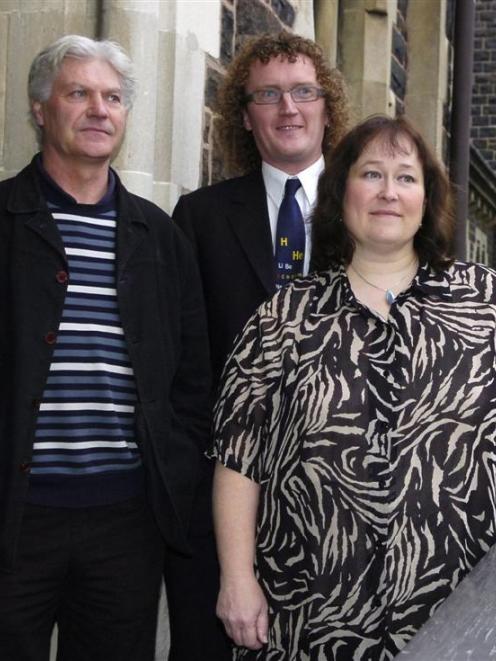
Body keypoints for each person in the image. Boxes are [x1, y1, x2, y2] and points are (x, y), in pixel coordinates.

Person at [211, 114, 496, 659]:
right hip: (308, 609)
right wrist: (236, 578)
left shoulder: (483, 304)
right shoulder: (283, 317)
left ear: (428, 198)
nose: (389, 192)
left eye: (406, 177)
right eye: (371, 175)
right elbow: (236, 458)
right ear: (340, 193)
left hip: (452, 607)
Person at [0, 35, 210, 661]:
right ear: (41, 109)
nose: (99, 109)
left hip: (125, 522)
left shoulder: (162, 238)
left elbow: (193, 384)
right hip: (15, 522)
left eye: (113, 97)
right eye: (79, 93)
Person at [168, 31, 349, 660]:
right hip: (220, 495)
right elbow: (181, 364)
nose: (289, 108)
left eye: (304, 91)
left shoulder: (373, 213)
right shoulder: (199, 217)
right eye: (268, 95)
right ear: (245, 116)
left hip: (341, 499)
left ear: (327, 106)